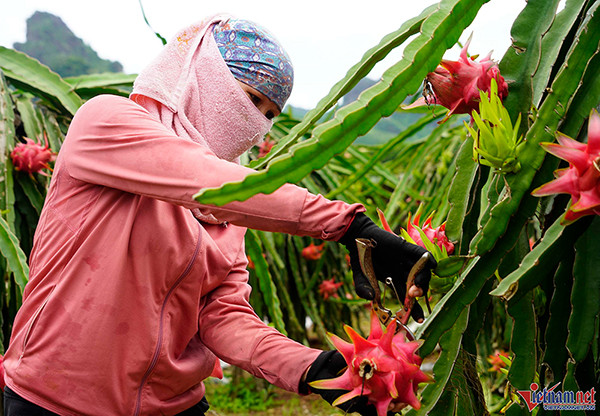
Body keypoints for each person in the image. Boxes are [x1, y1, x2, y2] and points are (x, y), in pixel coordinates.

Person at [2, 14, 436, 416]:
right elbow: (206, 181)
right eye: (250, 99)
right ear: (205, 75)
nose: (257, 125)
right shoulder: (106, 123)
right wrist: (350, 226)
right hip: (52, 400)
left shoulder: (232, 214)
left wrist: (312, 369)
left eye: (270, 115)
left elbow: (221, 316)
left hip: (173, 407)